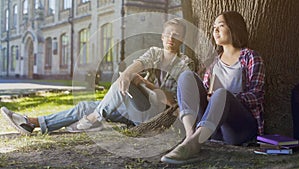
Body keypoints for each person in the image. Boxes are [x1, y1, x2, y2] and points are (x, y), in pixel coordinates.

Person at [1, 18, 194, 135]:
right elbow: (133, 68)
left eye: (176, 35)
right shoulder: (154, 52)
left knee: (127, 83)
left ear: (182, 40)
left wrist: (141, 81)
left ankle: (95, 117)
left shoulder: (185, 63)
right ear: (162, 36)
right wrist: (128, 76)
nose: (171, 38)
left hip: (156, 117)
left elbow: (172, 101)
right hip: (135, 110)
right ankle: (33, 123)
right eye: (168, 34)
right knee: (87, 104)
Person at [160, 11, 265, 164]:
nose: (215, 30)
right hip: (212, 129)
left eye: (221, 26)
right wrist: (211, 97)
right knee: (186, 76)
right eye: (214, 27)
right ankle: (191, 137)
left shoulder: (251, 57)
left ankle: (194, 142)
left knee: (221, 94)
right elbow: (202, 94)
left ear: (234, 28)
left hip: (238, 128)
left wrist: (227, 96)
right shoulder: (214, 62)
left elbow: (257, 96)